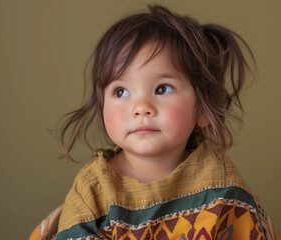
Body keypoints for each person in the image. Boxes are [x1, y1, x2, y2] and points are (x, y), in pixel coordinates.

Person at [30, 4, 279, 240]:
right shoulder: (93, 191)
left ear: (202, 109)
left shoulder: (222, 186)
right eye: (121, 92)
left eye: (162, 88)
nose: (141, 108)